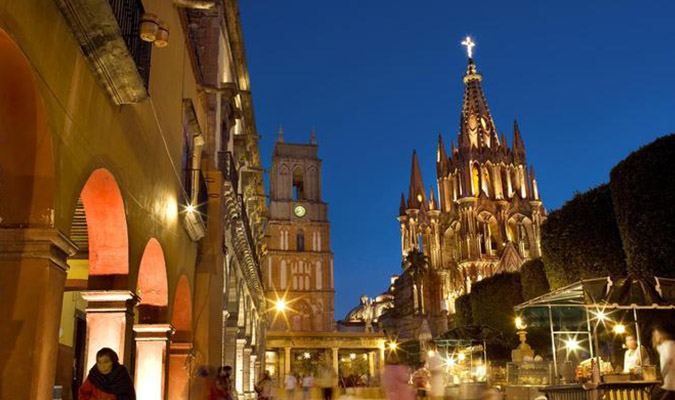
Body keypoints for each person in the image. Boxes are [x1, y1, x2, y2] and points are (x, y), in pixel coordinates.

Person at [654, 324, 675, 400]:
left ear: (662, 334)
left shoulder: (669, 344)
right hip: (669, 384)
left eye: (656, 334)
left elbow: (668, 361)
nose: (655, 337)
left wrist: (661, 376)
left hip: (671, 384)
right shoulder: (664, 346)